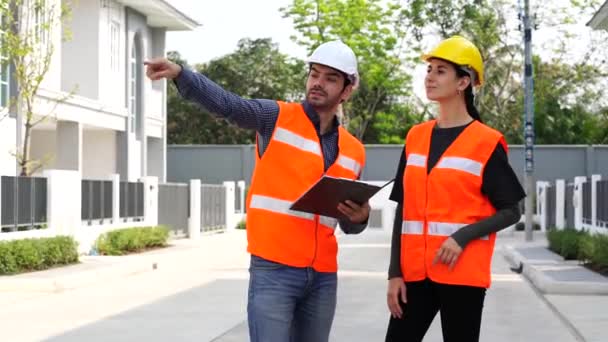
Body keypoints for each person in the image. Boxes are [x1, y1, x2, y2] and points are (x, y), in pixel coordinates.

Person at [144, 40, 371, 342]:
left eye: (330, 78)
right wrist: (181, 75)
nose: (318, 83)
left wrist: (360, 216)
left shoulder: (354, 151)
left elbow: (347, 222)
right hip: (273, 270)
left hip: (323, 277)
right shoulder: (275, 117)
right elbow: (228, 105)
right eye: (314, 74)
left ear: (347, 89)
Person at [384, 35, 526, 342]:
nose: (430, 77)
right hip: (414, 274)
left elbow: (512, 209)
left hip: (462, 274)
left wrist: (462, 237)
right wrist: (394, 273)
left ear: (463, 82)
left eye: (440, 71)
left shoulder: (485, 142)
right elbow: (403, 208)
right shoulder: (416, 137)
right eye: (429, 69)